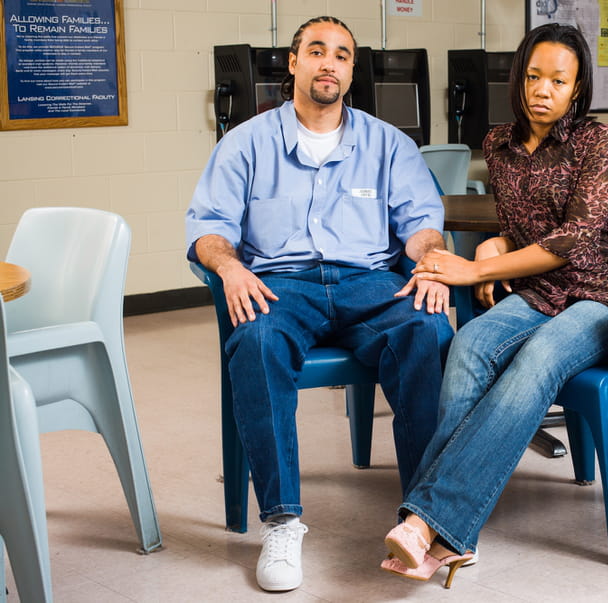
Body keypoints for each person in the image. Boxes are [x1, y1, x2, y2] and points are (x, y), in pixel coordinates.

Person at [379, 23, 608, 587]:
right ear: (518, 79)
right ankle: (454, 535)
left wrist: (479, 267)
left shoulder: (597, 142)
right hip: (544, 289)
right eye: (534, 77)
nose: (542, 90)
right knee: (468, 344)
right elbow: (527, 229)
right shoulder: (498, 144)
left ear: (577, 88)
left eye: (558, 80)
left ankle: (426, 522)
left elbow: (574, 239)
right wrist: (496, 242)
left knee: (538, 360)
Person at [185, 16, 454, 592]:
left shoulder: (389, 145)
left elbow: (421, 226)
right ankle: (282, 522)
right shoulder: (245, 144)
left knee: (427, 331)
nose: (329, 63)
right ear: (294, 62)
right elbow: (209, 229)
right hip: (283, 286)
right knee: (254, 341)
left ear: (352, 70)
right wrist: (229, 266)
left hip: (371, 284)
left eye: (342, 55)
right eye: (317, 51)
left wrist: (431, 259)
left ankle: (423, 520)